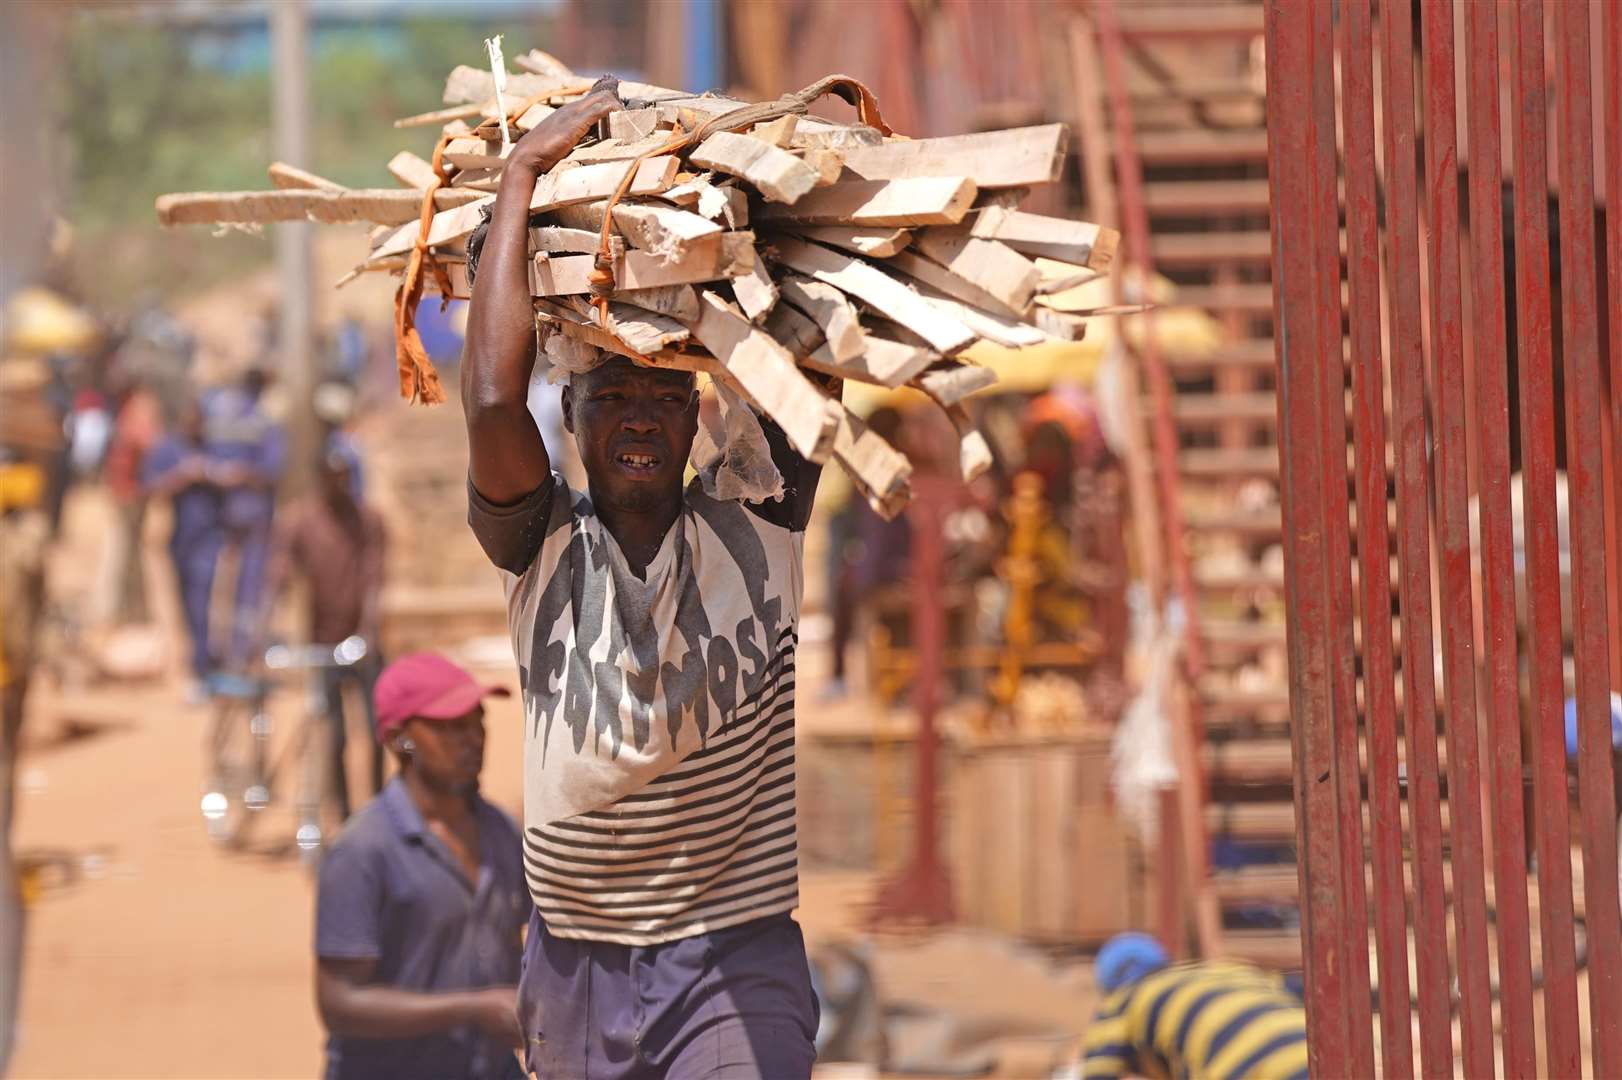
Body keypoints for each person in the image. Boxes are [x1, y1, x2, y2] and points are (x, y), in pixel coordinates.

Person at [461, 77, 824, 1078]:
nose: (636, 417)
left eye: (662, 396)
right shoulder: (541, 549)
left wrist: (758, 210)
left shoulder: (756, 523)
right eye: (609, 395)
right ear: (569, 424)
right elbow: (492, 406)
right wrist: (522, 174)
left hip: (731, 951)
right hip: (575, 965)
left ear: (695, 418)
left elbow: (802, 357)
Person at [314, 652, 528, 1080]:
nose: (473, 738)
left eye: (478, 721)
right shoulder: (364, 851)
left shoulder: (501, 831)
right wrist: (475, 1009)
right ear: (398, 740)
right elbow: (339, 1001)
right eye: (451, 726)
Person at [263, 436, 387, 819]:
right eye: (332, 477)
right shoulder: (299, 521)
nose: (339, 484)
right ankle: (345, 813)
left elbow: (373, 578)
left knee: (376, 730)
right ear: (319, 478)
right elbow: (280, 572)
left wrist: (367, 632)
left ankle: (380, 808)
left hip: (362, 645)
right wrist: (269, 624)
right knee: (334, 735)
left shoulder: (367, 520)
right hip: (323, 644)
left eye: (345, 476)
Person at [1078, 933, 1308, 1080]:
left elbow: (1099, 1071)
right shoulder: (1231, 970)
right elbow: (1303, 990)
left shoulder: (1122, 1000)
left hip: (1245, 1071)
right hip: (1310, 1057)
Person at [201, 365, 286, 667]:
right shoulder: (264, 423)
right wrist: (246, 475)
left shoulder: (219, 417)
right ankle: (240, 650)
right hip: (254, 512)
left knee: (216, 581)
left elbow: (207, 460)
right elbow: (273, 471)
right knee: (249, 585)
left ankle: (214, 648)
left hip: (220, 510)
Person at [142, 398, 224, 692]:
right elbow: (150, 485)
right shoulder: (168, 449)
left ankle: (200, 667)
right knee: (184, 605)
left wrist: (210, 474)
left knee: (201, 604)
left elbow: (233, 477)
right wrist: (182, 476)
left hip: (208, 538)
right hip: (178, 538)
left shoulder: (211, 447)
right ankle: (193, 661)